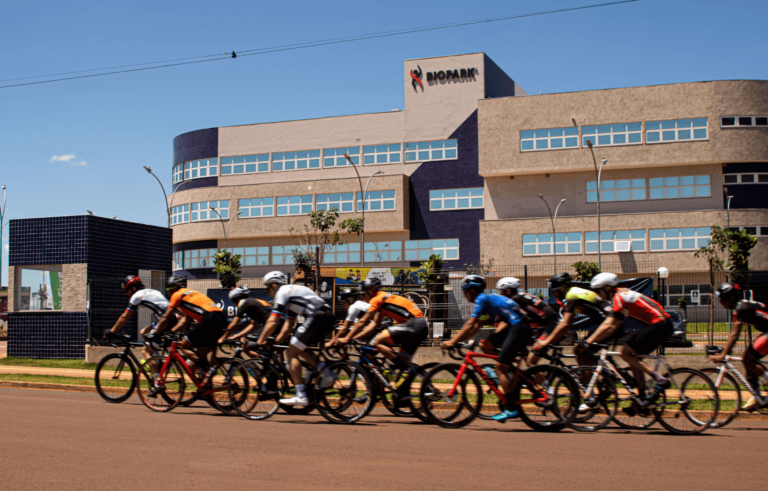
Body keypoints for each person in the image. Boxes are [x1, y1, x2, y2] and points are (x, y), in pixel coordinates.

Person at [442, 275, 532, 423]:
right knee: (486, 345)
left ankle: (511, 408)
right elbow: (476, 327)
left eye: (464, 292)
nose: (464, 296)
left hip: (519, 327)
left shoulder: (482, 299)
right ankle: (508, 371)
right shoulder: (486, 301)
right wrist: (459, 341)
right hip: (518, 326)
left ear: (472, 290)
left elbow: (470, 324)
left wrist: (452, 341)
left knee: (500, 369)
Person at [583, 273, 674, 403]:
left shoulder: (619, 296)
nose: (597, 295)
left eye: (598, 290)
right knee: (633, 357)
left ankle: (660, 379)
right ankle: (641, 396)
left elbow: (609, 324)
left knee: (624, 352)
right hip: (661, 325)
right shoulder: (623, 294)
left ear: (607, 288)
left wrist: (589, 341)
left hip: (659, 324)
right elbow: (615, 325)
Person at [257, 271, 337, 406]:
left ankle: (300, 395)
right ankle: (328, 373)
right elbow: (288, 325)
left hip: (317, 316)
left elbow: (273, 320)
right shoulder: (292, 293)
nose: (267, 292)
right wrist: (276, 341)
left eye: (267, 288)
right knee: (299, 348)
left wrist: (261, 339)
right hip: (326, 316)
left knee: (291, 352)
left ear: (274, 285)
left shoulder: (282, 292)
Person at [338, 278, 428, 398]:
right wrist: (353, 337)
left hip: (414, 324)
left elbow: (363, 321)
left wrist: (347, 338)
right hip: (420, 327)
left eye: (363, 294)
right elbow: (373, 326)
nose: (363, 297)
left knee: (378, 341)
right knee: (402, 362)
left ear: (371, 291)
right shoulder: (383, 301)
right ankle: (404, 396)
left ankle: (406, 371)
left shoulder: (377, 299)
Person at [150, 276, 228, 392]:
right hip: (221, 318)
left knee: (184, 345)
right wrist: (171, 332)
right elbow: (185, 320)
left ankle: (208, 370)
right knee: (201, 352)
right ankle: (206, 386)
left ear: (172, 289)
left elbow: (166, 317)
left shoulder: (177, 295)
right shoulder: (191, 294)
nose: (169, 294)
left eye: (168, 291)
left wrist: (155, 333)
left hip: (209, 318)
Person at [707, 283, 768, 411]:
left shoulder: (742, 308)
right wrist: (725, 351)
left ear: (731, 298)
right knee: (747, 359)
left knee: (748, 359)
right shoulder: (739, 309)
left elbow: (735, 334)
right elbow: (733, 335)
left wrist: (723, 355)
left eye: (722, 298)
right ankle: (757, 397)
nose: (721, 302)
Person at [533, 272, 609, 367]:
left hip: (607, 325)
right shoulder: (574, 292)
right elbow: (568, 322)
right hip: (604, 323)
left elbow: (566, 324)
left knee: (581, 351)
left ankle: (593, 379)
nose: (554, 295)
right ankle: (598, 376)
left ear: (562, 288)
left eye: (554, 291)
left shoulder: (571, 296)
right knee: (580, 350)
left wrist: (546, 342)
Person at [106, 275, 180, 366]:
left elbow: (124, 317)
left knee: (146, 352)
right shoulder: (152, 291)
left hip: (165, 321)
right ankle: (157, 361)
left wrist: (112, 330)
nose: (126, 293)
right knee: (143, 332)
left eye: (127, 290)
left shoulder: (136, 296)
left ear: (133, 288)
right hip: (172, 319)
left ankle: (157, 378)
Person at [494, 277, 558, 366]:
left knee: (530, 361)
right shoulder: (521, 296)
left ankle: (540, 379)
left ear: (508, 291)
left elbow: (505, 322)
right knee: (522, 349)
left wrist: (493, 337)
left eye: (501, 292)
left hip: (551, 326)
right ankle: (529, 377)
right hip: (550, 323)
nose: (500, 295)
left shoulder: (515, 300)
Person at [219, 286, 280, 357]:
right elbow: (253, 326)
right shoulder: (252, 303)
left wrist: (222, 338)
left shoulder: (243, 303)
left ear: (237, 299)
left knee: (253, 347)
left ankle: (268, 366)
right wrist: (236, 336)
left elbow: (234, 323)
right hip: (277, 326)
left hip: (274, 327)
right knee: (255, 351)